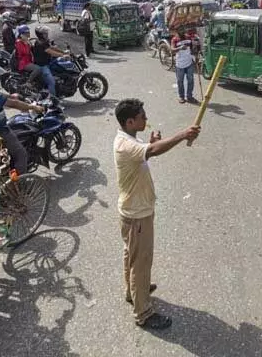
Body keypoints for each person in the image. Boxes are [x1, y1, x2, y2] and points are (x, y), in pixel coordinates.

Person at [113, 98, 200, 330]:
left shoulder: (128, 138)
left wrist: (150, 146)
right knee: (141, 264)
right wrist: (183, 135)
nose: (146, 119)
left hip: (133, 212)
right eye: (142, 116)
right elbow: (151, 151)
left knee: (131, 255)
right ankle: (143, 313)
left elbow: (147, 152)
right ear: (130, 121)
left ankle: (132, 293)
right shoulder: (126, 145)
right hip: (137, 215)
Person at [32, 27, 66, 96]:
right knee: (51, 82)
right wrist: (62, 55)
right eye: (45, 34)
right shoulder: (39, 43)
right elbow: (51, 52)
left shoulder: (44, 41)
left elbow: (52, 48)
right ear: (40, 35)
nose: (47, 35)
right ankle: (53, 99)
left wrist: (64, 52)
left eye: (47, 33)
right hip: (42, 65)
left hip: (48, 62)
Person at [170, 28, 196, 104]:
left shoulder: (189, 38)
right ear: (177, 31)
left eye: (182, 29)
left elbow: (192, 49)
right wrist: (180, 48)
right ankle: (181, 96)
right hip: (179, 64)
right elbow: (172, 50)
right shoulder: (174, 39)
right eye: (180, 30)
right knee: (180, 81)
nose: (182, 31)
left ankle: (189, 96)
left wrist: (195, 55)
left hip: (189, 63)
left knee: (190, 80)